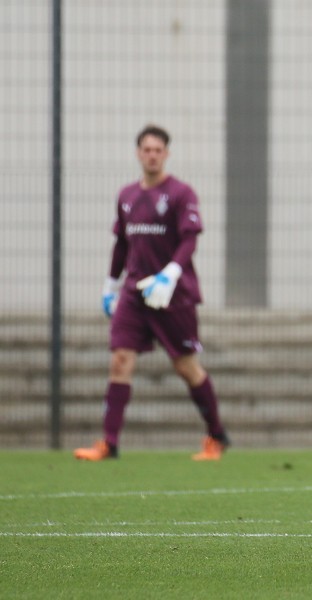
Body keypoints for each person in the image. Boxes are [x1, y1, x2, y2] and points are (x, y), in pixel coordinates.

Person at [74, 124, 230, 462]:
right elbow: (121, 244)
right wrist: (110, 286)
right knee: (120, 360)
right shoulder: (127, 196)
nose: (152, 155)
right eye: (147, 150)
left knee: (186, 367)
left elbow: (189, 239)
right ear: (138, 153)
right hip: (134, 294)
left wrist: (170, 274)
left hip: (172, 295)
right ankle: (109, 443)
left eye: (158, 150)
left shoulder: (180, 194)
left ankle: (216, 436)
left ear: (166, 154)